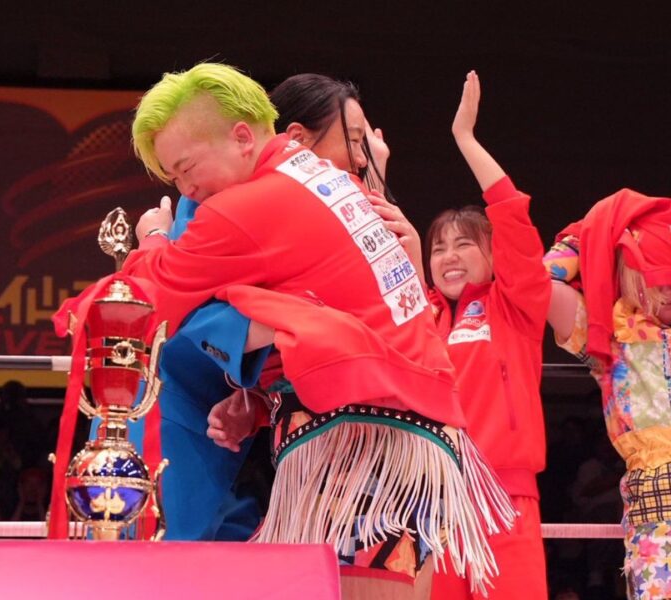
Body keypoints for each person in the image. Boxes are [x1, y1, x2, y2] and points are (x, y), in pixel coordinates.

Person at [86, 63, 514, 599]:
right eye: (175, 179)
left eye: (187, 168)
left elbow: (148, 300)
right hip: (400, 440)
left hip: (362, 444)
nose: (187, 187)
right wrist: (259, 399)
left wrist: (154, 237)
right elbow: (343, 323)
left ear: (243, 137)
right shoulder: (332, 186)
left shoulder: (251, 203)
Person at [424, 72, 551, 599]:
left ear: (493, 254)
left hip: (504, 497)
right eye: (438, 248)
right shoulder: (422, 319)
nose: (448, 256)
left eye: (463, 244)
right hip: (430, 503)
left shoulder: (513, 305)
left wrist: (465, 139)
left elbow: (513, 217)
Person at [545, 189, 671, 599]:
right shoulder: (610, 336)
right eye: (655, 278)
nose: (670, 291)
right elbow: (538, 285)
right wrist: (590, 236)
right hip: (660, 529)